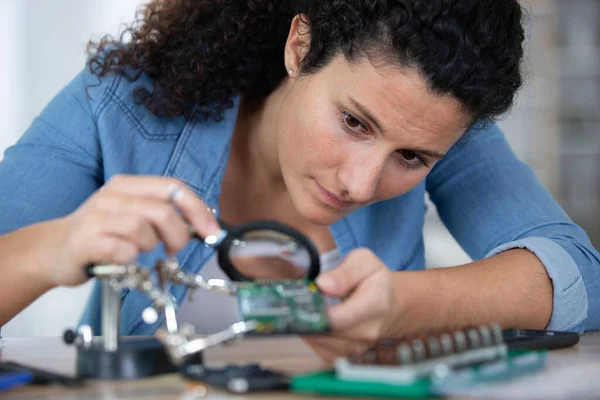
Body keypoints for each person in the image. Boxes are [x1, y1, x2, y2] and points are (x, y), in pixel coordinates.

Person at [0, 0, 598, 361]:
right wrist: (55, 248)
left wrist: (402, 308)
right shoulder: (123, 102)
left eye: (411, 159)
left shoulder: (434, 123)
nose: (360, 185)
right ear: (300, 45)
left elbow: (581, 278)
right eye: (353, 122)